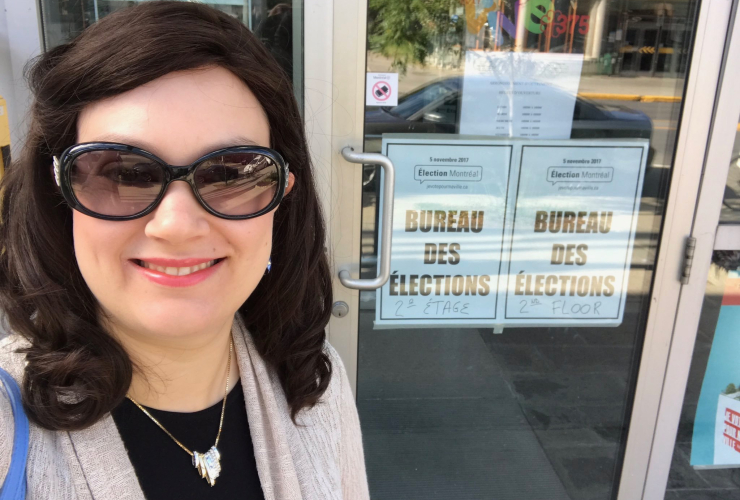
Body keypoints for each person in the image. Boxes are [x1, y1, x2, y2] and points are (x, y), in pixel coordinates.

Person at [0, 2, 370, 499]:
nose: (176, 225)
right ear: (58, 195)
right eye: (123, 173)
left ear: (282, 199)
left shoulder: (314, 380)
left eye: (231, 173)